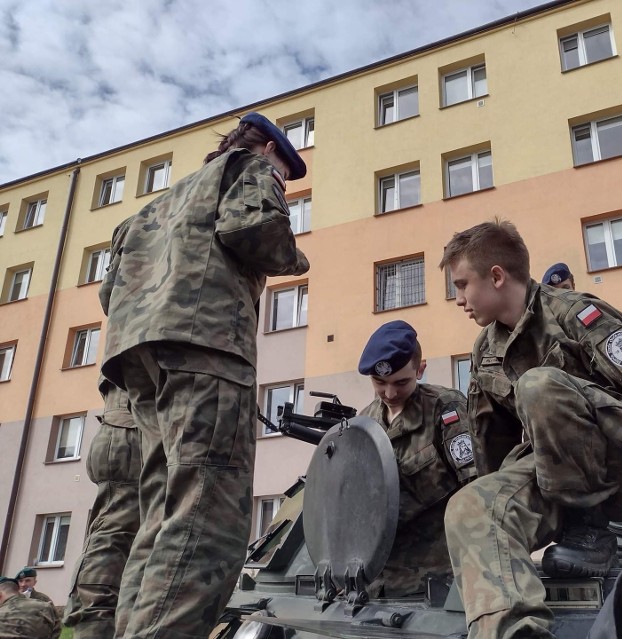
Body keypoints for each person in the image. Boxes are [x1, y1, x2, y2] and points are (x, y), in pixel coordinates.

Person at [439, 219, 622, 639]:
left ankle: (589, 529)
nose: (457, 299)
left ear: (496, 276)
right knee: (469, 506)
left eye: (461, 285)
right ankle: (514, 632)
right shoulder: (484, 349)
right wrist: (496, 528)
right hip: (551, 483)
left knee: (538, 385)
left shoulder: (577, 316)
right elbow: (490, 445)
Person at [99, 111, 310, 638]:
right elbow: (254, 228)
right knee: (207, 517)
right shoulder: (248, 168)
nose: (281, 179)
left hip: (138, 360)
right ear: (267, 152)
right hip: (207, 345)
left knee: (160, 516)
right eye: (283, 170)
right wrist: (294, 257)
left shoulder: (151, 208)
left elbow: (109, 295)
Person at [358, 320, 476, 597]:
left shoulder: (445, 408)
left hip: (438, 581)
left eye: (401, 382)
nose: (390, 393)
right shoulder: (364, 422)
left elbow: (475, 490)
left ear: (420, 370)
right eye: (380, 383)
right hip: (377, 582)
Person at [63, 379, 142, 638]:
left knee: (119, 534)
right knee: (115, 533)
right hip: (135, 427)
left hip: (130, 425)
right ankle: (94, 627)